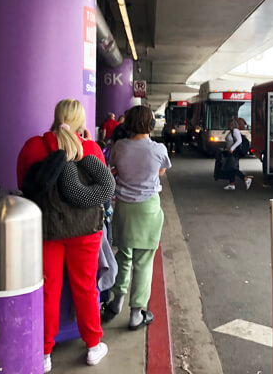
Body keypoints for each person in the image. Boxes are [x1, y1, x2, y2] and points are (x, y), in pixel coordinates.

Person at [16, 99, 111, 372]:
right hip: (86, 232)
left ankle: (44, 353)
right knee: (85, 287)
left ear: (56, 117)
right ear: (81, 120)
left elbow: (24, 183)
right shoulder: (91, 149)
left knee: (47, 290)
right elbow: (102, 191)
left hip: (47, 229)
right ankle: (93, 346)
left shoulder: (34, 146)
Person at [104, 105, 171, 329]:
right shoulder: (159, 149)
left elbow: (113, 168)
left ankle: (116, 302)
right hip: (148, 209)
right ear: (151, 125)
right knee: (144, 262)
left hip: (124, 207)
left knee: (123, 257)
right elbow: (161, 171)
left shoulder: (120, 146)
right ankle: (136, 313)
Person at [223, 118, 252, 191]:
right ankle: (231, 184)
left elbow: (239, 140)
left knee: (233, 168)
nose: (227, 125)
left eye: (229, 124)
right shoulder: (231, 131)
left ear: (232, 124)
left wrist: (232, 148)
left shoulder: (235, 131)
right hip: (232, 152)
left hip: (234, 152)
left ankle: (246, 179)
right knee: (232, 168)